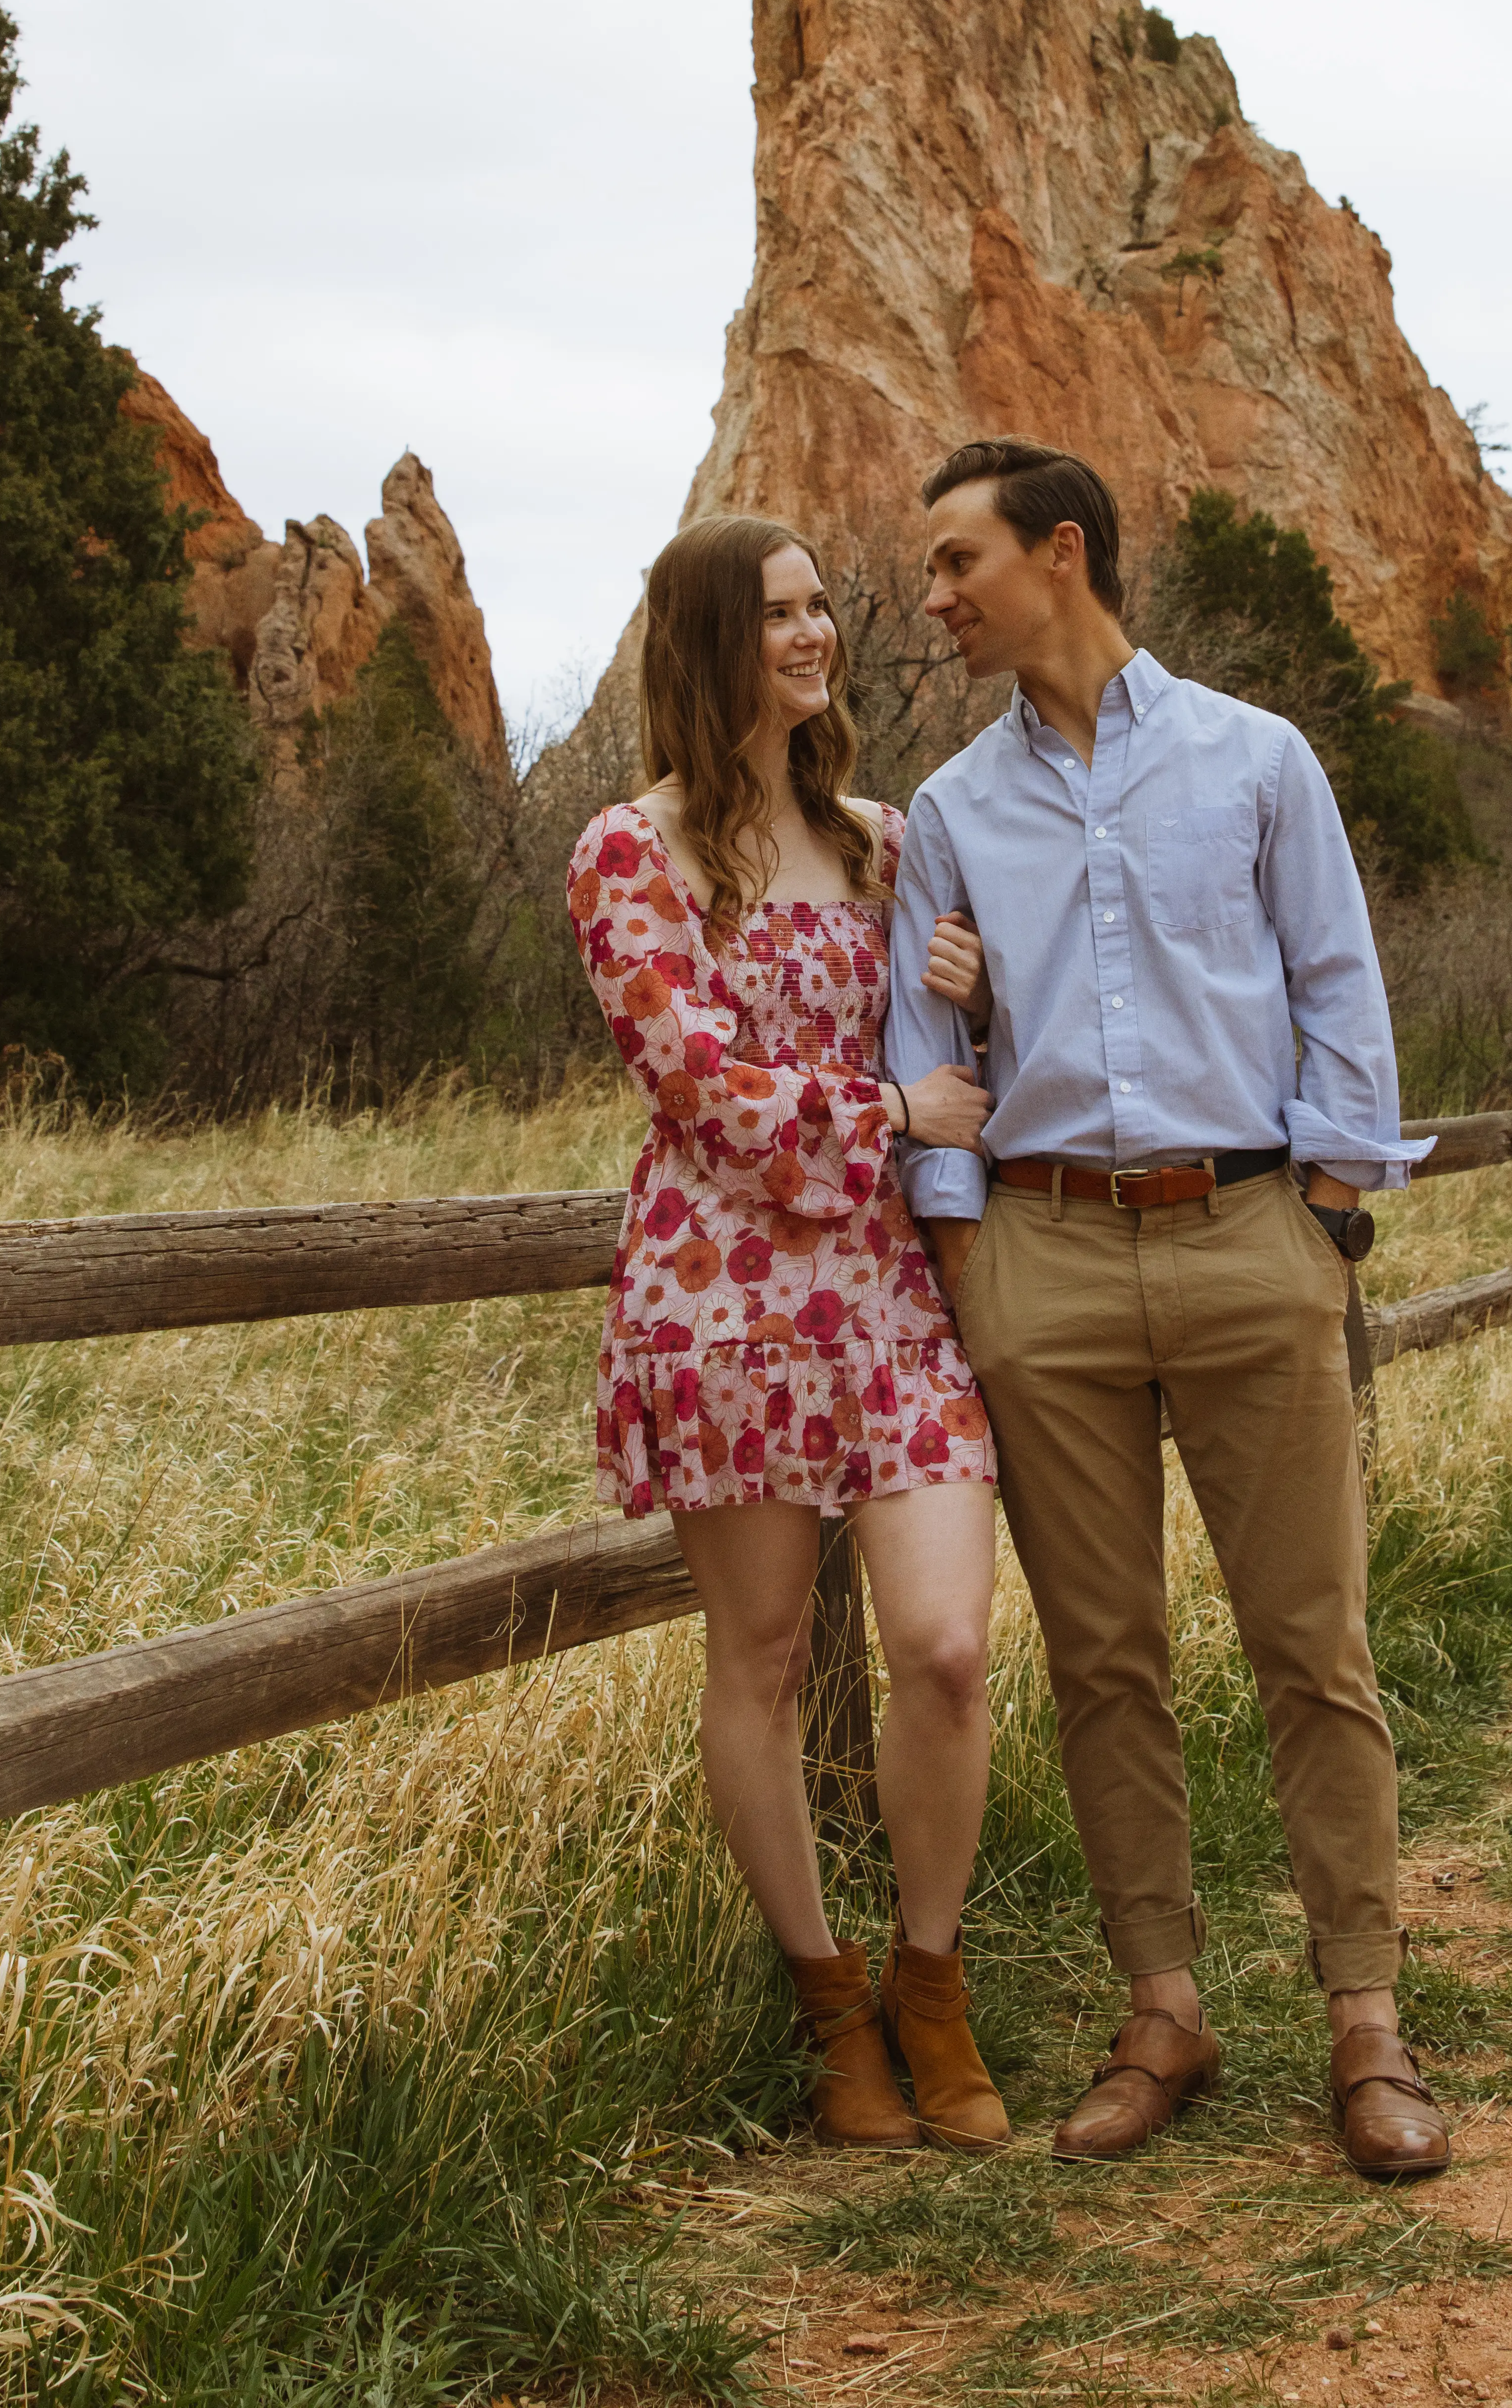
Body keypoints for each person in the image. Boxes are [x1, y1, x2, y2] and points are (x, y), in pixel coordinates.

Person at [883, 438, 1449, 2179]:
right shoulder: (954, 815)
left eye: (959, 561)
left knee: (1312, 1644)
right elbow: (925, 1054)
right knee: (1104, 1659)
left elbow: (1336, 979)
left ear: (1063, 554)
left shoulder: (1256, 759)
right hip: (1044, 1262)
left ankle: (1366, 2018)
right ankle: (1165, 2010)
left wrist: (1331, 1213)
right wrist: (977, 1254)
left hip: (1247, 1231)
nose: (936, 595)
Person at [567, 510, 1010, 2154]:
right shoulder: (632, 852)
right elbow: (706, 1096)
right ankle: (833, 2011)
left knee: (949, 1649)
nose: (816, 636)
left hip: (891, 1298)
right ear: (708, 644)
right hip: (725, 1304)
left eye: (824, 607)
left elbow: (972, 1054)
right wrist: (898, 1099)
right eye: (779, 616)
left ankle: (934, 1980)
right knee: (754, 1659)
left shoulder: (889, 842)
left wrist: (966, 980)